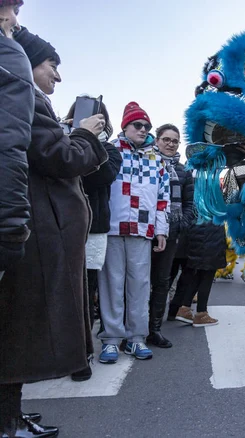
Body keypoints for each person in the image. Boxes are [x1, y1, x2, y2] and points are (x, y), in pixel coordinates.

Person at [2, 27, 108, 438]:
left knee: (16, 327)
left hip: (31, 231)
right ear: (26, 63)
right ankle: (7, 422)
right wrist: (85, 134)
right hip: (32, 235)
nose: (58, 77)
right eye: (52, 66)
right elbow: (59, 157)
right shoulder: (23, 98)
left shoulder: (24, 100)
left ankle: (10, 415)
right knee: (18, 331)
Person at [97, 102, 170, 364]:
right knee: (112, 284)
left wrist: (161, 230)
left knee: (140, 286)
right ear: (125, 126)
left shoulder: (157, 159)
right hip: (113, 227)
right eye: (137, 125)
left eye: (147, 126)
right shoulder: (110, 151)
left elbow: (163, 199)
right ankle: (111, 340)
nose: (143, 129)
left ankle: (137, 338)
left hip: (142, 229)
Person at [63, 99, 122, 382]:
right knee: (58, 290)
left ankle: (81, 353)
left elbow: (101, 176)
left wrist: (85, 139)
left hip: (94, 228)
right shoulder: (61, 140)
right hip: (59, 226)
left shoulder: (109, 149)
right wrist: (73, 137)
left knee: (86, 291)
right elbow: (58, 166)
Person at [148, 124, 194, 348]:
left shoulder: (184, 171)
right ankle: (132, 327)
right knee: (137, 281)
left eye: (175, 141)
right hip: (144, 233)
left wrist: (179, 226)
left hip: (171, 234)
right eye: (166, 139)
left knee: (162, 282)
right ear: (157, 141)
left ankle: (154, 329)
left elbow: (189, 205)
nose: (170, 143)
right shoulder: (146, 162)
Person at [0, 0, 32, 280]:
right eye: (14, 10)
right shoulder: (9, 55)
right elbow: (9, 146)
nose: (16, 22)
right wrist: (11, 229)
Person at [167, 220, 226, 327]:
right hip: (210, 234)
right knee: (207, 274)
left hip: (196, 233)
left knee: (198, 274)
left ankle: (185, 309)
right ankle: (201, 313)